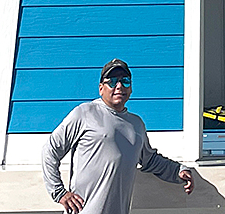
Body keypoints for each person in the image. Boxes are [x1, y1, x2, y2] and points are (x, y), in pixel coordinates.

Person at [41, 60, 194, 214]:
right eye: (112, 81)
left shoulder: (136, 124)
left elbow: (150, 160)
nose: (119, 86)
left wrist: (178, 170)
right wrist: (59, 192)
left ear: (131, 88)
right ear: (101, 89)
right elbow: (50, 150)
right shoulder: (85, 113)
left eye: (125, 81)